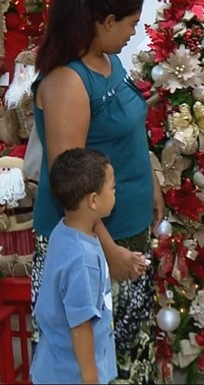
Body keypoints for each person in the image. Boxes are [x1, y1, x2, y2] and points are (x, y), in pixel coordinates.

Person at [31, 0, 164, 384]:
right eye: (130, 24)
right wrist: (109, 251)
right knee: (95, 358)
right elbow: (69, 186)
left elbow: (130, 135)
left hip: (127, 230)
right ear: (106, 22)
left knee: (129, 350)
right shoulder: (69, 82)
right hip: (95, 245)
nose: (133, 34)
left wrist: (152, 182)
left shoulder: (112, 63)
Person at [31, 148, 119, 384]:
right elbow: (80, 327)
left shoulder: (64, 230)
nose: (115, 192)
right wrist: (91, 378)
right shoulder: (82, 260)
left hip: (55, 364)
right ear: (93, 200)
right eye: (112, 188)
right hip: (71, 375)